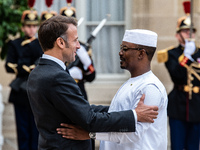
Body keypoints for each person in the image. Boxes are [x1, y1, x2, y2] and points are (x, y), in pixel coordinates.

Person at [27, 15, 159, 150]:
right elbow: (89, 119)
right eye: (75, 41)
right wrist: (134, 115)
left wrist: (125, 109)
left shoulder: (38, 72)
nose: (78, 46)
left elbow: (82, 109)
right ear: (60, 43)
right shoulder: (56, 76)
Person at [57, 29, 168, 150]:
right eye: (121, 48)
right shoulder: (131, 83)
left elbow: (135, 133)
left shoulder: (150, 88)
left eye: (125, 49)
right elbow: (116, 114)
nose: (120, 53)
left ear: (141, 54)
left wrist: (90, 134)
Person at [157, 15, 200, 150]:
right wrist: (186, 56)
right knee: (177, 146)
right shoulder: (171, 54)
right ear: (177, 35)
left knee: (193, 146)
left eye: (191, 31)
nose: (189, 34)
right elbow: (177, 76)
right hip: (178, 106)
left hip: (198, 105)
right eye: (185, 31)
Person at [5, 10, 43, 150]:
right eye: (28, 26)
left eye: (33, 26)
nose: (31, 29)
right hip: (20, 93)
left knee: (35, 130)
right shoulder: (15, 44)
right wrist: (24, 68)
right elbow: (9, 65)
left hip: (36, 93)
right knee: (22, 131)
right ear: (22, 27)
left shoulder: (41, 44)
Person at [60, 4, 96, 100]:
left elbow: (91, 77)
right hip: (60, 91)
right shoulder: (55, 46)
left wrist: (87, 63)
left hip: (78, 91)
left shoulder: (82, 48)